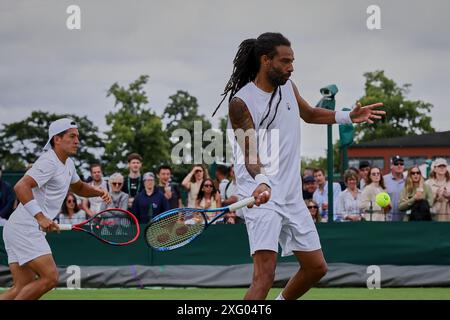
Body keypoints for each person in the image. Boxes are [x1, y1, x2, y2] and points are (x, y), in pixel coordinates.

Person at [214, 32, 384, 300]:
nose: (291, 67)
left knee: (316, 267)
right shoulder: (240, 103)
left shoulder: (288, 87)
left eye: (293, 61)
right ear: (266, 60)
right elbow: (250, 155)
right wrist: (262, 181)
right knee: (264, 277)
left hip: (291, 195)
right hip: (260, 195)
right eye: (285, 61)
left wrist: (347, 117)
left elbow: (311, 114)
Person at [0, 118, 111, 300]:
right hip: (25, 228)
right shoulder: (48, 162)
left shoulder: (68, 164)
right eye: (72, 136)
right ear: (56, 139)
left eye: (78, 137)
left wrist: (97, 192)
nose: (77, 141)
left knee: (22, 287)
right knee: (50, 278)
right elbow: (21, 187)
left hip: (17, 229)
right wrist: (41, 217)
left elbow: (79, 188)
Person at [383, 155, 406, 221]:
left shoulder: (408, 180)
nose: (399, 166)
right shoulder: (384, 180)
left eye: (401, 164)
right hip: (388, 219)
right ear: (391, 166)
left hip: (404, 220)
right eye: (396, 164)